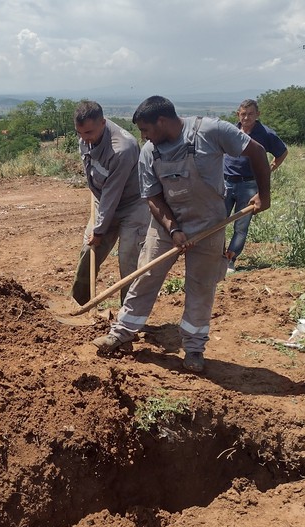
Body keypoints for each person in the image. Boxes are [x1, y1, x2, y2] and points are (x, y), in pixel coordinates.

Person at [92, 96, 271, 373]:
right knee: (145, 276)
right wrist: (173, 229)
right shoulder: (149, 152)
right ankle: (123, 332)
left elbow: (257, 152)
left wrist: (264, 195)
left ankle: (195, 348)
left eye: (146, 130)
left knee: (201, 287)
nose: (144, 137)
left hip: (208, 226)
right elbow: (152, 197)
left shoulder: (211, 131)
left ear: (162, 122)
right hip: (165, 226)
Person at [71, 100, 149, 306]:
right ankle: (79, 303)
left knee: (128, 259)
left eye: (88, 133)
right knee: (88, 252)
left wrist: (99, 231)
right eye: (79, 133)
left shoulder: (122, 148)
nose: (84, 139)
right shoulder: (85, 139)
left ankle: (128, 316)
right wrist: (97, 229)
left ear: (103, 123)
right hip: (103, 200)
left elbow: (113, 194)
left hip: (133, 205)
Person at [223, 99, 287, 272]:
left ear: (257, 114)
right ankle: (217, 257)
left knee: (241, 225)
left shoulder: (266, 133)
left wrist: (269, 169)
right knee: (218, 221)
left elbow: (282, 152)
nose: (246, 117)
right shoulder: (231, 131)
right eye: (243, 114)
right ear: (238, 114)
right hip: (226, 182)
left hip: (249, 184)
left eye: (250, 114)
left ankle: (231, 259)